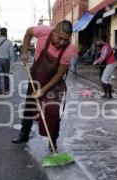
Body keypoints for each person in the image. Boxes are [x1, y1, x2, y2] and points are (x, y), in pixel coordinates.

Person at [11, 20, 76, 151]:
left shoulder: (69, 50)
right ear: (55, 31)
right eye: (60, 38)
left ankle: (53, 142)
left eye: (66, 40)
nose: (62, 42)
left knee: (52, 111)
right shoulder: (44, 31)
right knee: (30, 105)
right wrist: (24, 51)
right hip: (36, 76)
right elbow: (29, 32)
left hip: (53, 83)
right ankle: (24, 134)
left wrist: (43, 90)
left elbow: (59, 75)